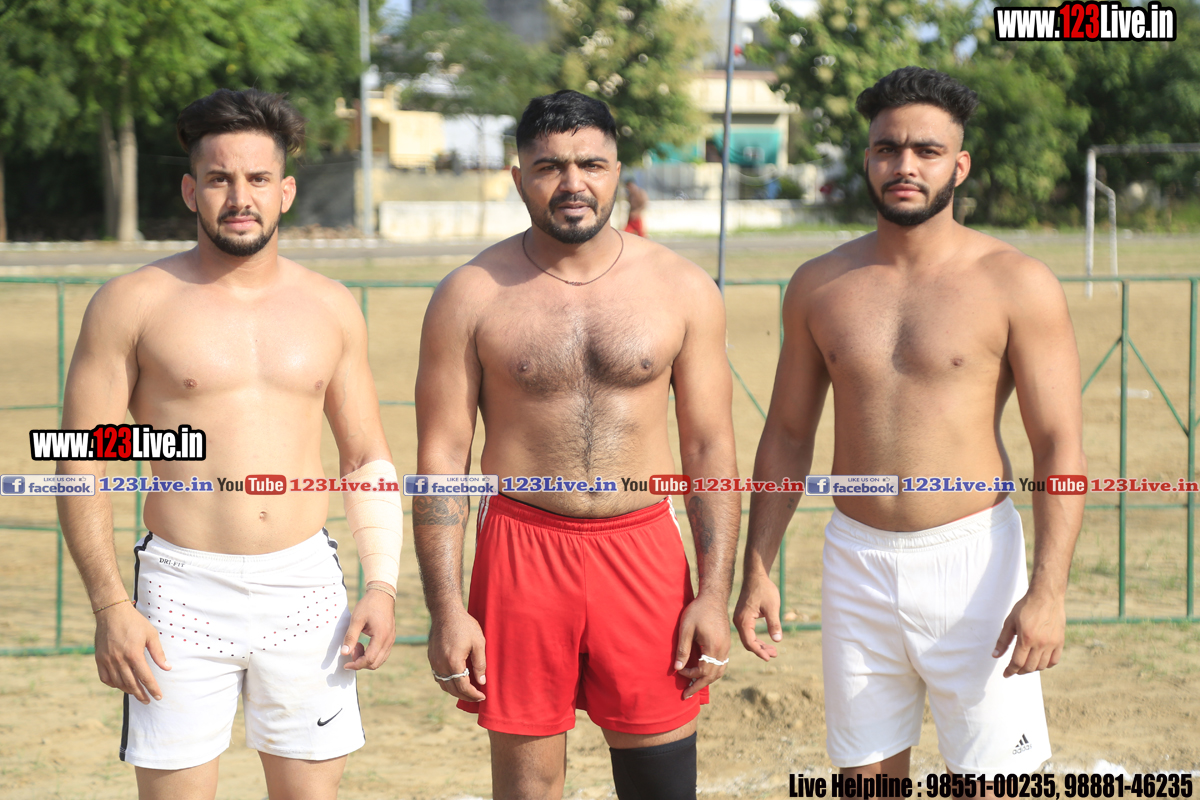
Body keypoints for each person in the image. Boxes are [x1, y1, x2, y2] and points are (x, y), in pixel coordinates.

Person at [733, 67, 1086, 781]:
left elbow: (1058, 446)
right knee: (864, 786)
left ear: (960, 165)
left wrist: (1048, 591)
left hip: (975, 563)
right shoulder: (818, 285)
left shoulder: (1016, 282)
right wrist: (758, 567)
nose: (905, 165)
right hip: (855, 563)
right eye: (887, 148)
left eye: (927, 151)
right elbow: (789, 435)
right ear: (867, 158)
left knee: (991, 787)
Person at [56, 88, 402, 800]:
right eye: (219, 179)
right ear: (191, 191)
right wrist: (109, 606)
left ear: (286, 192)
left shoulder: (331, 306)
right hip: (180, 591)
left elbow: (365, 456)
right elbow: (81, 457)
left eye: (257, 179)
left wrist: (382, 583)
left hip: (305, 588)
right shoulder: (132, 303)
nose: (240, 198)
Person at [414, 89, 740, 800]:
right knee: (528, 789)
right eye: (549, 167)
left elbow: (710, 450)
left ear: (618, 170)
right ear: (518, 177)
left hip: (643, 548)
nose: (572, 183)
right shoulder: (469, 294)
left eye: (591, 164)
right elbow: (442, 460)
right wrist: (447, 609)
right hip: (521, 551)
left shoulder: (682, 288)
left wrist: (714, 595)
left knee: (660, 788)